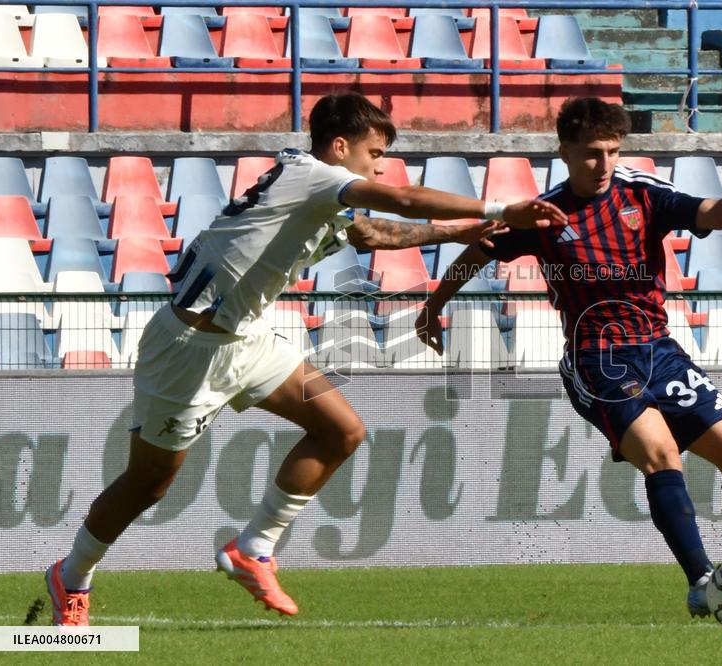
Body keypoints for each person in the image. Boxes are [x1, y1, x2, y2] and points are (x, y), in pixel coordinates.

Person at [45, 92, 567, 626]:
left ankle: (254, 549)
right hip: (188, 351)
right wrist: (501, 208)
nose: (379, 164)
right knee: (148, 484)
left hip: (247, 340)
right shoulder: (315, 175)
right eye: (374, 152)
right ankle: (72, 578)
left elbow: (372, 233)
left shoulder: (315, 190)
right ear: (340, 146)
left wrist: (460, 231)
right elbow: (403, 202)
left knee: (341, 430)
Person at [415, 97, 722, 622]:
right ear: (564, 151)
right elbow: (478, 252)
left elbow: (716, 216)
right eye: (591, 154)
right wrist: (432, 308)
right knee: (661, 456)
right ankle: (702, 585)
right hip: (596, 360)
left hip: (660, 351)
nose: (604, 163)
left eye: (612, 151)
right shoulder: (543, 214)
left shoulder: (642, 195)